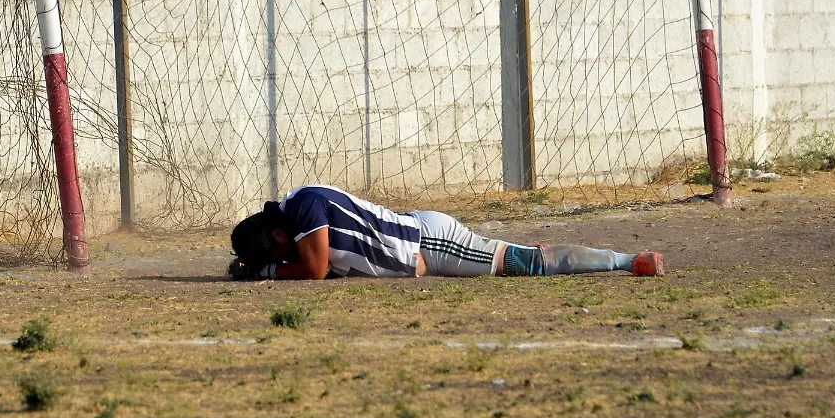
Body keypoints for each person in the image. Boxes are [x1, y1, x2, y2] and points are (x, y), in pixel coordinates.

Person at [227, 184, 663, 280]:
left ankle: (627, 261)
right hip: (417, 239)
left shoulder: (303, 208)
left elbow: (316, 269)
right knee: (516, 258)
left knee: (522, 263)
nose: (282, 262)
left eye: (276, 256)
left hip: (428, 241)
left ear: (278, 238)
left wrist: (265, 275)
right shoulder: (297, 212)